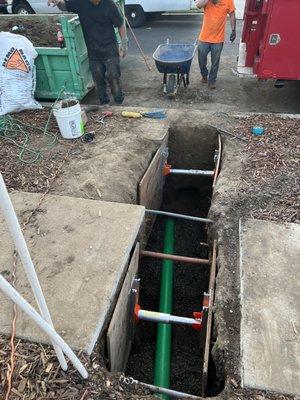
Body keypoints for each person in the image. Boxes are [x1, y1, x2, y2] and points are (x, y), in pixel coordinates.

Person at [48, 0, 127, 105]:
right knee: (98, 79)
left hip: (110, 49)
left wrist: (124, 44)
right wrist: (57, 2)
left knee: (113, 76)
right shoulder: (81, 3)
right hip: (93, 50)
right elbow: (65, 6)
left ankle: (118, 101)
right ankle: (104, 103)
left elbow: (120, 24)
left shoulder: (109, 4)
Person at [195, 0, 236, 89]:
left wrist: (233, 30)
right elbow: (198, 5)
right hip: (204, 37)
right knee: (201, 59)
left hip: (218, 39)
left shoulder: (228, 1)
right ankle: (204, 75)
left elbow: (232, 14)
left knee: (215, 62)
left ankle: (212, 80)